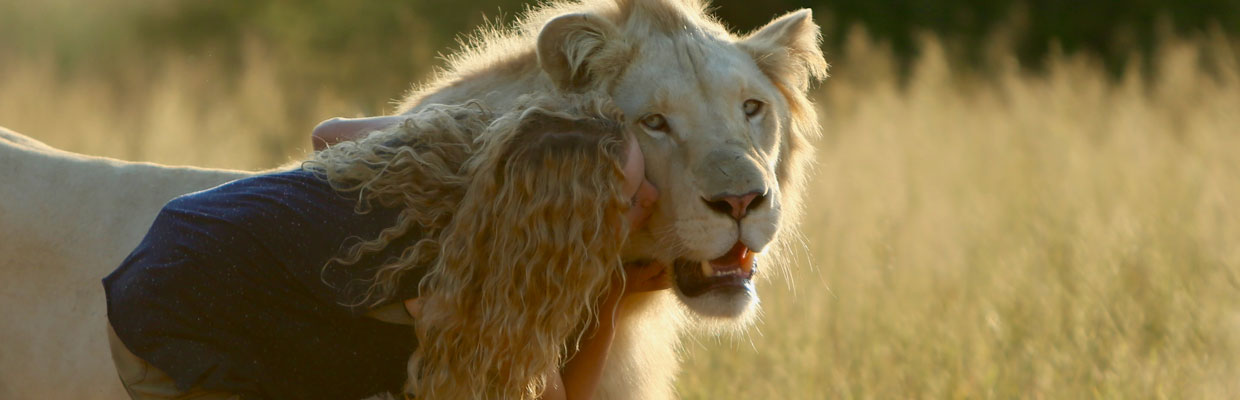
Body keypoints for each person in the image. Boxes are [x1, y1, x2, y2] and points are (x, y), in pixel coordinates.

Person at [103, 93, 662, 399]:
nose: (655, 198)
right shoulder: (460, 280)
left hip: (190, 228)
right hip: (173, 313)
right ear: (568, 225)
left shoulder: (483, 156)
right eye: (634, 195)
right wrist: (606, 308)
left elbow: (331, 133)